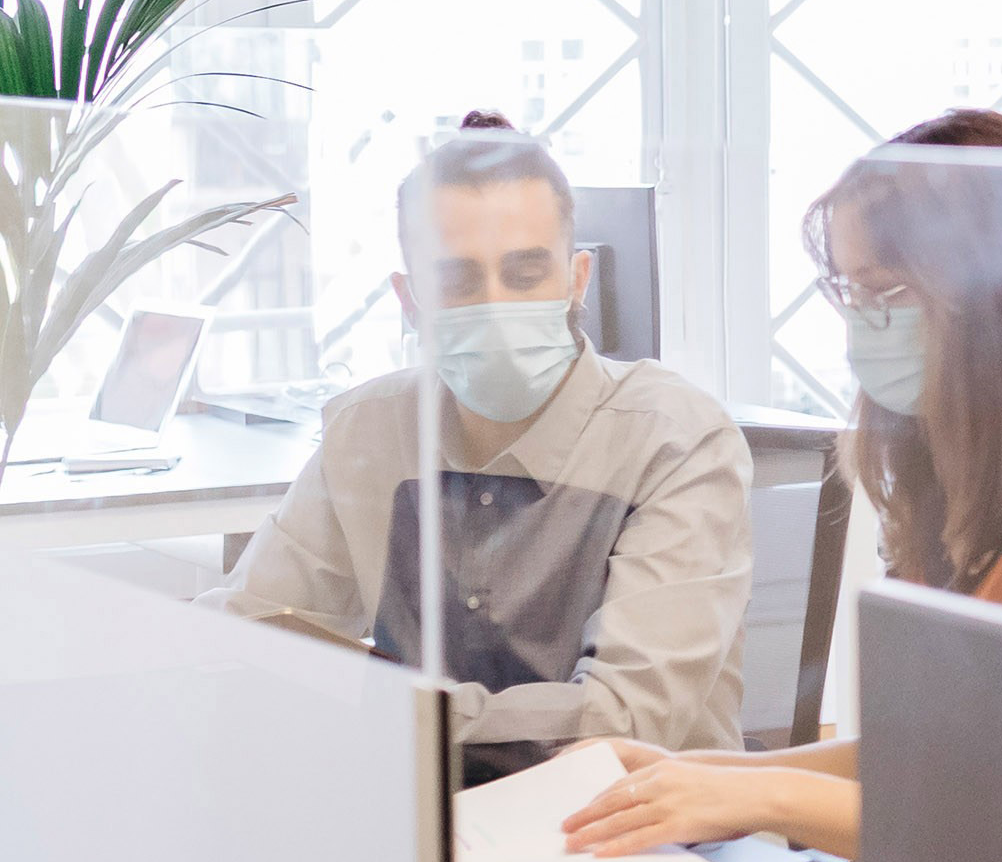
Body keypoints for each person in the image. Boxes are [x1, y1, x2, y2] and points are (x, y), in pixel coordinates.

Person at [558, 110, 1002, 860]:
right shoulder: (958, 469)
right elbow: (929, 759)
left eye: (884, 293)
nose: (862, 323)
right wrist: (697, 775)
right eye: (849, 293)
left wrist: (757, 796)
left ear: (993, 293)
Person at [209, 113, 750, 778]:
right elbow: (249, 632)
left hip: (641, 836)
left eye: (525, 276)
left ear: (576, 280)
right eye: (458, 282)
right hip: (421, 825)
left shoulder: (678, 440)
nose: (495, 305)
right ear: (409, 300)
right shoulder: (367, 431)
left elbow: (621, 725)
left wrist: (382, 705)